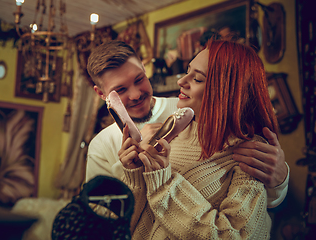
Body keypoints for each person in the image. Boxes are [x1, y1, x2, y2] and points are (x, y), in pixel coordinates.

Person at [86, 40, 289, 208]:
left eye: (139, 79)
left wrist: (280, 180)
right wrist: (128, 168)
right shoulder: (101, 146)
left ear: (143, 66)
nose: (136, 94)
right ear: (101, 94)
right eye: (120, 90)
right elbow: (102, 219)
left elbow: (260, 202)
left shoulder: (192, 109)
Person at [119, 39, 278, 239]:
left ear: (226, 91)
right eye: (188, 70)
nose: (181, 81)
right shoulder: (170, 133)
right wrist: (135, 176)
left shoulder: (250, 152)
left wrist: (163, 184)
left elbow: (234, 235)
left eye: (197, 79)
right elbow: (132, 225)